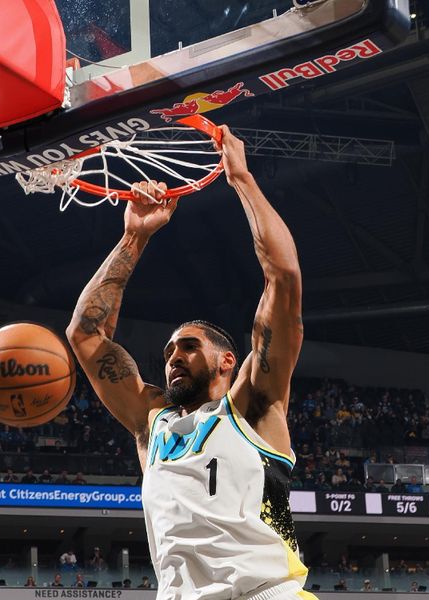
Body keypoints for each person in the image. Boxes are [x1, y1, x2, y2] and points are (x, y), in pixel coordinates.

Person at [67, 126, 309, 599]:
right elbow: (86, 335)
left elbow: (283, 277)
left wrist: (241, 179)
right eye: (169, 351)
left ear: (227, 361)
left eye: (189, 346)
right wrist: (134, 238)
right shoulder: (151, 425)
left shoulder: (253, 408)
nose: (174, 356)